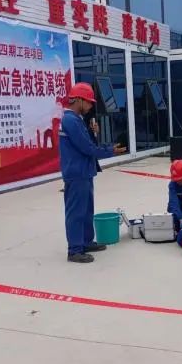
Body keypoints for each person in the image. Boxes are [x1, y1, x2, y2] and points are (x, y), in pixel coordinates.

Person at [59, 82, 127, 263]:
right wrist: (110, 150)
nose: (90, 106)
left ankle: (86, 242)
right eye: (88, 102)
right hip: (77, 173)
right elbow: (87, 148)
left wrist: (93, 132)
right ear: (78, 100)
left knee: (87, 211)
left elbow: (86, 143)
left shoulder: (77, 120)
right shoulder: (70, 120)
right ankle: (75, 250)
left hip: (84, 172)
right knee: (76, 213)